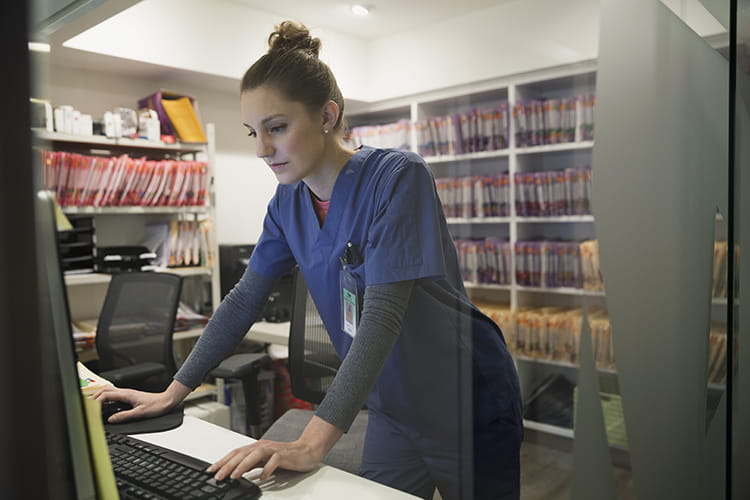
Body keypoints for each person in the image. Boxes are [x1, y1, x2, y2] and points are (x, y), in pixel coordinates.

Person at [94, 20, 523, 500]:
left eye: (276, 128)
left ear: (326, 115)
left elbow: (382, 314)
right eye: (253, 131)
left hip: (464, 399)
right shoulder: (287, 204)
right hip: (391, 408)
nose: (261, 149)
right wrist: (174, 392)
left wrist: (312, 442)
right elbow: (244, 300)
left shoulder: (397, 177)